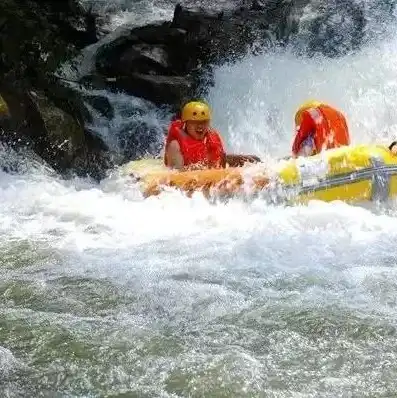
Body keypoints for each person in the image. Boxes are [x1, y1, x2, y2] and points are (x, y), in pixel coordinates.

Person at [164, 101, 261, 170]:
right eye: (195, 122)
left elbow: (219, 161)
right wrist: (200, 169)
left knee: (252, 160)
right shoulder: (175, 145)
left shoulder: (211, 138)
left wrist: (238, 159)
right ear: (186, 123)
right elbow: (177, 177)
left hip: (204, 177)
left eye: (204, 122)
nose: (200, 126)